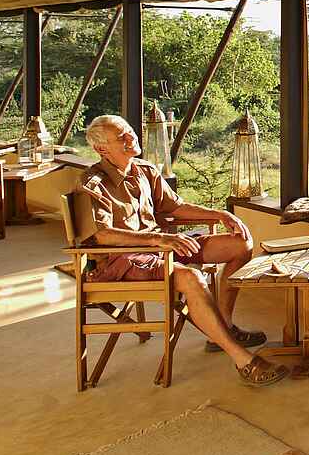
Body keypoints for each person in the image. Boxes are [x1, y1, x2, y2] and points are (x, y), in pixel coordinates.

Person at [76, 114, 288, 387]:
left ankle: (221, 328)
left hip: (158, 247)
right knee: (191, 278)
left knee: (239, 243)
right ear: (101, 149)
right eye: (122, 138)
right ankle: (243, 361)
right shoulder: (92, 182)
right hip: (122, 261)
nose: (131, 138)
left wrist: (219, 214)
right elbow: (101, 234)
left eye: (130, 131)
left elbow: (174, 208)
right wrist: (158, 240)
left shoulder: (144, 171)